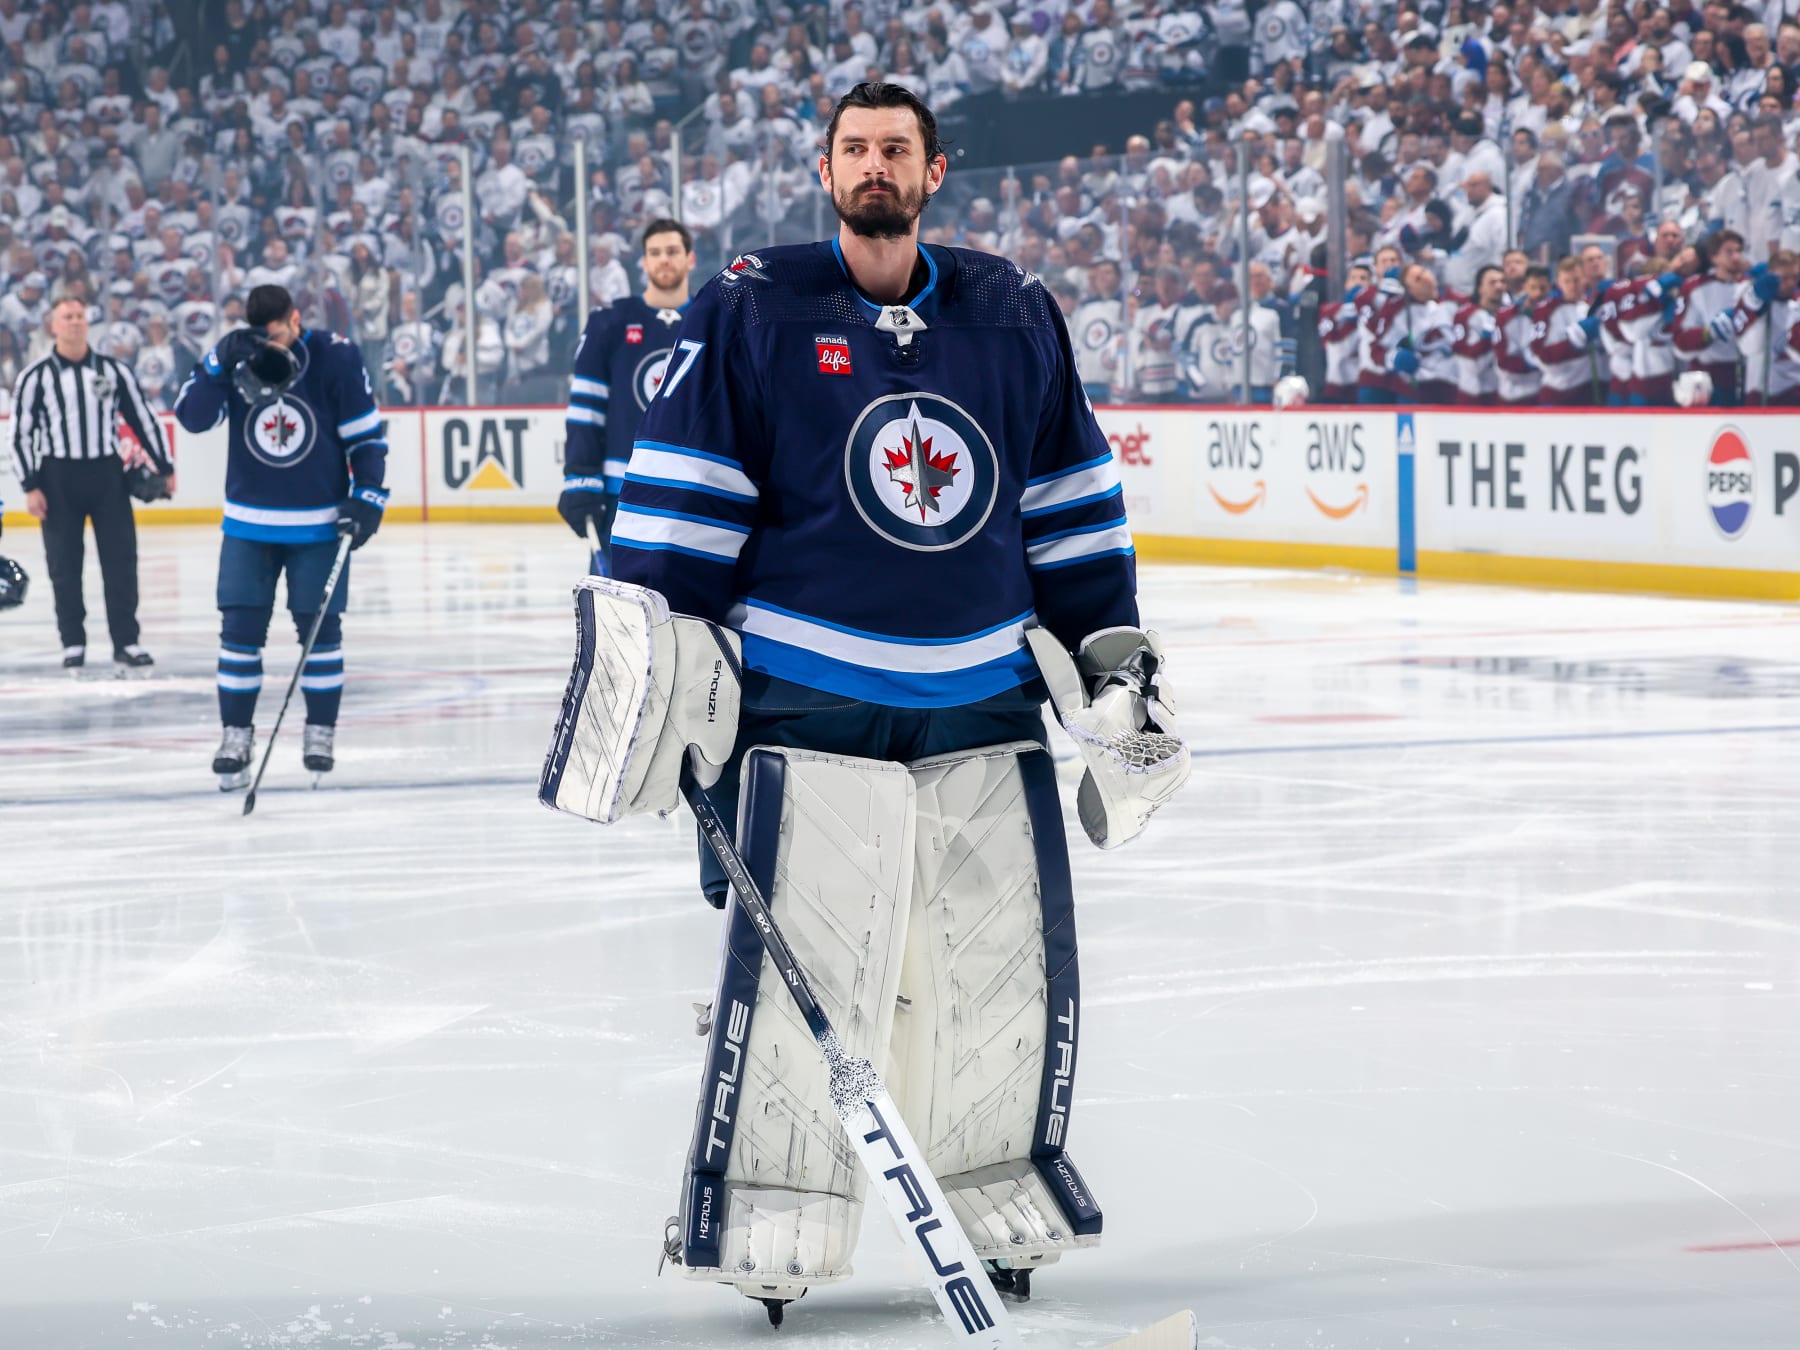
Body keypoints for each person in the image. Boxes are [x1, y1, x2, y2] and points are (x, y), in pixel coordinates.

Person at [541, 82, 1188, 1325]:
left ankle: (1002, 1188)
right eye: (855, 148)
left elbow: (1066, 508)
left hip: (986, 700)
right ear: (824, 168)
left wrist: (1111, 660)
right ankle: (772, 1215)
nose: (874, 165)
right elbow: (683, 502)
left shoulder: (1011, 311)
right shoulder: (753, 307)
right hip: (808, 702)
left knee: (1002, 973)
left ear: (933, 171)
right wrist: (654, 660)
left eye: (896, 149)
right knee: (806, 982)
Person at [172, 284, 389, 789]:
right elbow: (191, 417)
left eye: (280, 335)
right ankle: (235, 735)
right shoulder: (238, 357)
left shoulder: (335, 357)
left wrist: (368, 497)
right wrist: (215, 362)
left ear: (296, 319)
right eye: (262, 338)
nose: (274, 348)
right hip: (249, 525)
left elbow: (366, 437)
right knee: (239, 635)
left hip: (318, 524)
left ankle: (319, 730)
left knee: (320, 634)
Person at [9, 293, 174, 671]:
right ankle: (73, 643)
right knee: (64, 565)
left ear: (88, 323)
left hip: (107, 475)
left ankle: (126, 641)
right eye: (67, 316)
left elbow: (142, 417)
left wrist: (165, 467)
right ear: (53, 325)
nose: (74, 322)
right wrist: (30, 485)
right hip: (57, 478)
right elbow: (19, 435)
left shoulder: (114, 371)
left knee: (121, 561)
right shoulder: (36, 377)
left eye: (80, 316)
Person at [557, 218, 696, 571]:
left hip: (693, 494)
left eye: (672, 251)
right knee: (614, 615)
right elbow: (586, 411)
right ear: (644, 262)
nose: (664, 260)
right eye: (655, 253)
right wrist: (580, 479)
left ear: (690, 259)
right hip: (622, 493)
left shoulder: (711, 321)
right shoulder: (611, 323)